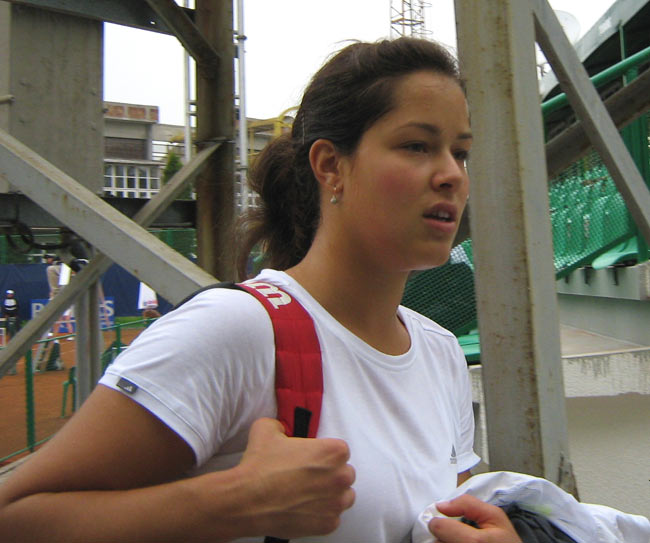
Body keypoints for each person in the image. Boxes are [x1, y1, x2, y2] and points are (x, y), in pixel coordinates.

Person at [0, 37, 522, 542]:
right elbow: (15, 516)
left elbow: (447, 515)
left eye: (461, 152)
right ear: (330, 166)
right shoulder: (237, 331)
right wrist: (233, 503)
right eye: (417, 146)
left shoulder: (440, 353)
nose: (452, 174)